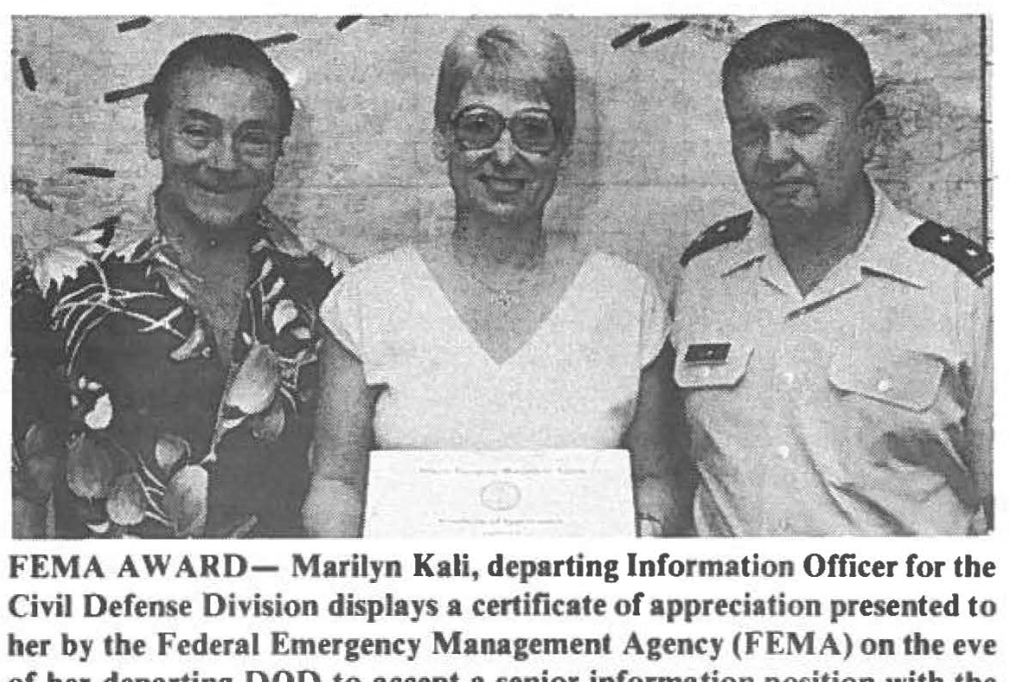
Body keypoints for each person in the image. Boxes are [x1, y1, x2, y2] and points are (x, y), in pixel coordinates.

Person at [304, 25, 688, 537]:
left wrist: (644, 535)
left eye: (533, 130)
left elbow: (655, 477)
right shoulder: (367, 300)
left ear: (565, 148)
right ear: (442, 138)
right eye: (479, 126)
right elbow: (337, 483)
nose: (505, 155)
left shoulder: (627, 300)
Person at [12, 34, 348, 538]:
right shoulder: (60, 283)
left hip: (282, 609)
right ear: (154, 135)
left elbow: (349, 485)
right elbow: (19, 495)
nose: (224, 161)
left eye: (254, 138)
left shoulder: (335, 289)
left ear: (280, 150)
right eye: (198, 132)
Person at [671, 17, 992, 535]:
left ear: (868, 131)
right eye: (751, 132)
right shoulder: (703, 277)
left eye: (802, 124)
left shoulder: (964, 291)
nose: (774, 154)